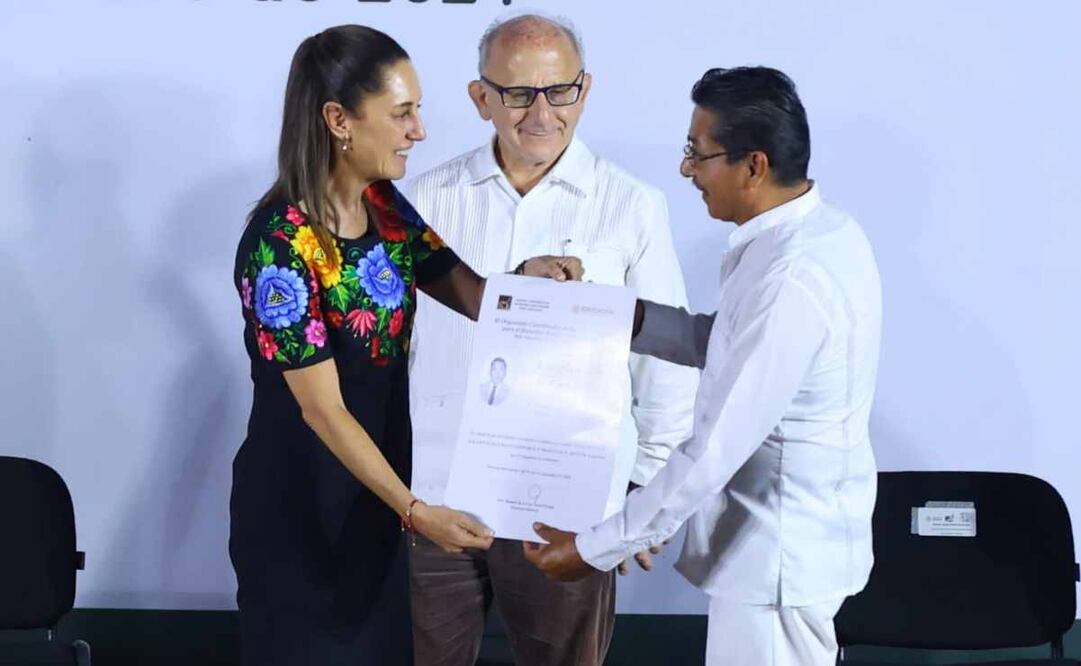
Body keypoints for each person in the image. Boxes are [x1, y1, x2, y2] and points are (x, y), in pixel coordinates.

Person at [230, 24, 580, 666]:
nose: (420, 130)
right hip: (301, 510)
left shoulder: (386, 207)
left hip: (377, 501)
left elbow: (471, 294)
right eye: (402, 113)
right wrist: (417, 512)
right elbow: (323, 411)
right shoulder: (278, 243)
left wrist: (527, 280)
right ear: (338, 119)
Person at [524, 66, 883, 666]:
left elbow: (713, 450)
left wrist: (595, 548)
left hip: (775, 566)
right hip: (781, 556)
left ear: (754, 166)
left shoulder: (791, 277)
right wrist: (613, 314)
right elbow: (729, 343)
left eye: (698, 152)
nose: (686, 169)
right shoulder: (819, 234)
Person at [404, 13, 698, 666]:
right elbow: (397, 349)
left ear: (584, 89)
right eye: (516, 93)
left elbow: (669, 365)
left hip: (571, 509)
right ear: (480, 99)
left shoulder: (630, 204)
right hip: (437, 497)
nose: (540, 113)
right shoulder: (424, 198)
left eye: (557, 90)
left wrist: (644, 496)